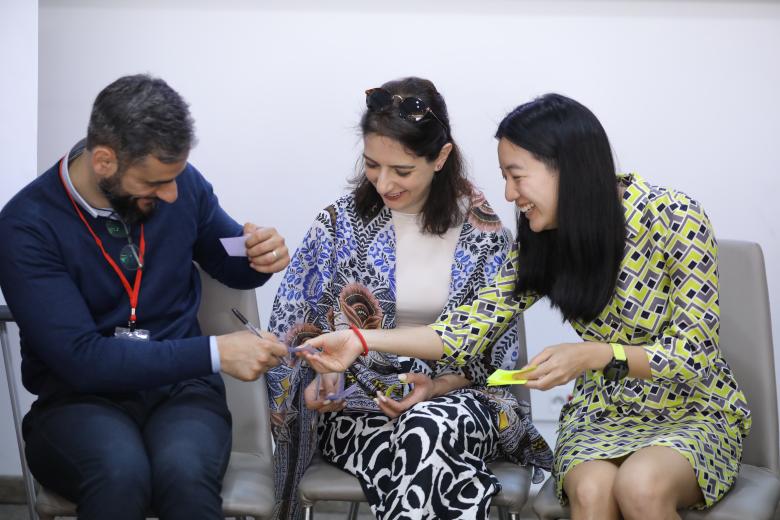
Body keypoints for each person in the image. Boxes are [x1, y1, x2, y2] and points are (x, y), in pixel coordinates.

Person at [300, 93, 752, 520]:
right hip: (605, 412)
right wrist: (359, 339)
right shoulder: (542, 239)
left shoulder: (673, 215)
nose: (509, 194)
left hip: (692, 410)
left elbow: (695, 355)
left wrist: (600, 354)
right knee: (593, 492)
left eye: (517, 175)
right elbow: (462, 331)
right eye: (504, 177)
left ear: (568, 169)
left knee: (641, 488)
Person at [0, 74, 291, 520]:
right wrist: (216, 352)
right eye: (155, 182)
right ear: (104, 161)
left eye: (175, 178)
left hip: (181, 394)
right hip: (77, 399)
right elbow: (82, 360)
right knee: (120, 472)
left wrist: (260, 255)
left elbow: (229, 260)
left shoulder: (181, 184)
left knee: (184, 473)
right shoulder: (27, 226)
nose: (171, 194)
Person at [266, 77, 552, 520]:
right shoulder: (336, 228)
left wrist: (437, 387)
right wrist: (322, 382)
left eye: (402, 171)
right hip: (361, 414)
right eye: (372, 165)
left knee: (427, 427)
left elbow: (499, 366)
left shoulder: (485, 236)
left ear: (441, 157)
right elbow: (291, 333)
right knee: (426, 447)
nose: (383, 183)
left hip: (465, 405)